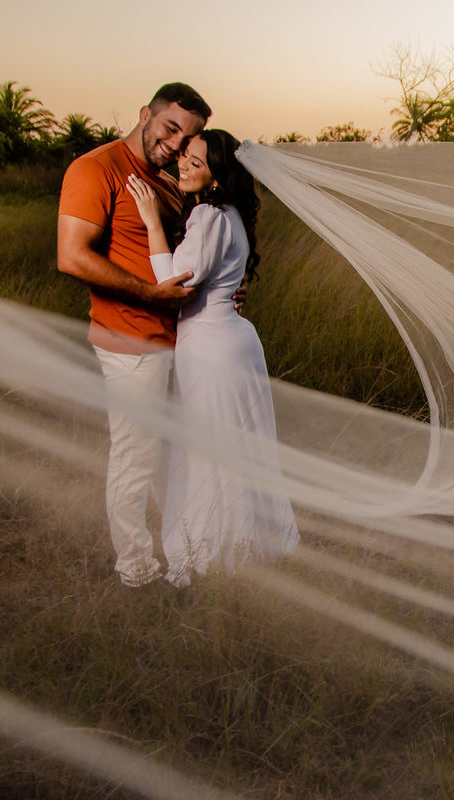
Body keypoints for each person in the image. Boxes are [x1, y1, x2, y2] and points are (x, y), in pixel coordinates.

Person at [125, 130, 298, 586]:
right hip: (235, 342)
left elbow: (174, 285)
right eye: (184, 154)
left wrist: (151, 222)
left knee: (207, 454)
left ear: (217, 175)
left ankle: (211, 554)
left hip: (209, 348)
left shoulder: (207, 215)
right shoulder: (232, 214)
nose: (183, 163)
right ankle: (247, 548)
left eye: (196, 161)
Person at [58, 82, 213, 587]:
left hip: (176, 341)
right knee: (136, 457)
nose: (173, 144)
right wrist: (151, 297)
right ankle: (136, 570)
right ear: (145, 113)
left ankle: (179, 552)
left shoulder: (166, 183)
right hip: (130, 343)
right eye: (170, 128)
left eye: (186, 139)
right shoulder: (94, 169)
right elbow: (72, 256)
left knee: (172, 455)